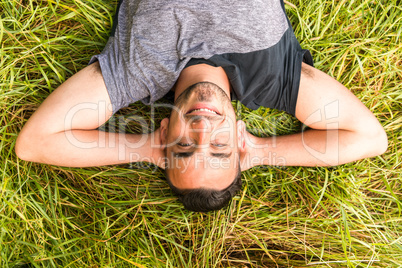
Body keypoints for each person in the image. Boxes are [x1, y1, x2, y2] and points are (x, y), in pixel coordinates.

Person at [15, 0, 388, 212]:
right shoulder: (275, 77)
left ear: (163, 134)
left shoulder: (136, 74)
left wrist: (147, 148)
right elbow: (369, 138)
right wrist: (257, 153)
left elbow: (34, 143)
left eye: (184, 146)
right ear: (240, 135)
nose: (203, 130)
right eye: (220, 147)